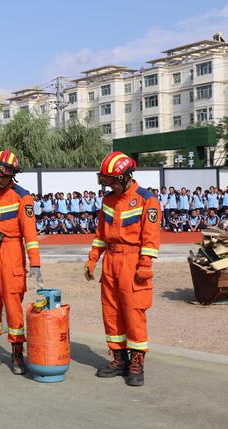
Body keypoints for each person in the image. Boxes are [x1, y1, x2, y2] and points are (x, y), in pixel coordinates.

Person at [84, 151, 160, 387]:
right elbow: (100, 236)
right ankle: (119, 359)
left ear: (127, 176)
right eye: (106, 181)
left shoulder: (147, 200)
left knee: (133, 312)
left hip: (132, 261)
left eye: (113, 180)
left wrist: (145, 265)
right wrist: (92, 259)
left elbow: (150, 238)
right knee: (112, 311)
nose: (110, 185)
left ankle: (136, 361)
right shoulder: (108, 201)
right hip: (111, 261)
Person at [0, 149, 42, 376]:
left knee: (13, 307)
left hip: (11, 254)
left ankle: (17, 353)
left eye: (4, 175)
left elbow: (30, 236)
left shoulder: (23, 197)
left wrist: (36, 265)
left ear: (13, 175)